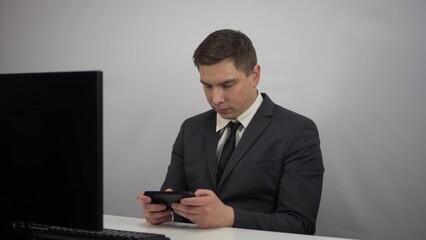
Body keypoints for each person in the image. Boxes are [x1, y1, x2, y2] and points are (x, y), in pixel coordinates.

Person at [137, 29, 324, 235]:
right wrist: (164, 211)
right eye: (207, 86)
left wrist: (230, 217)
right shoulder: (190, 129)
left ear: (254, 75)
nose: (216, 99)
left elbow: (301, 224)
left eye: (227, 85)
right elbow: (175, 200)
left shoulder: (297, 131)